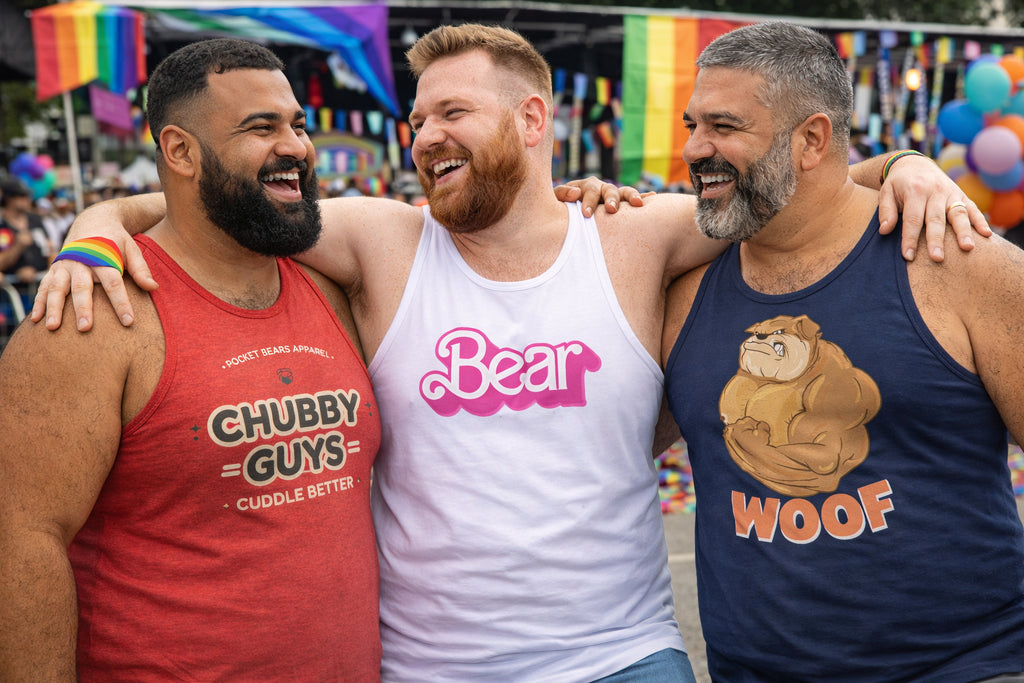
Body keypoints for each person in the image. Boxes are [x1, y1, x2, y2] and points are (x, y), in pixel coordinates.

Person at [32, 26, 990, 681]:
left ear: (533, 121)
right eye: (415, 119)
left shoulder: (637, 235)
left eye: (451, 111)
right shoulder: (379, 238)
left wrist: (904, 166)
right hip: (428, 665)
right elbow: (227, 195)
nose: (423, 135)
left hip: (624, 655)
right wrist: (97, 220)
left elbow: (788, 184)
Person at [0, 39, 384, 680]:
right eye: (261, 127)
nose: (294, 146)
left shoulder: (336, 285)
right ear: (179, 150)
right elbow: (22, 542)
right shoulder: (95, 312)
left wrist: (589, 202)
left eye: (298, 124)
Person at [662, 21, 1024, 680]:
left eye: (723, 126)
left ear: (811, 139)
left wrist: (907, 163)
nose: (693, 148)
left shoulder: (959, 262)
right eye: (691, 124)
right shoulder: (681, 293)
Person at [0, 179, 52, 283]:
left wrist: (51, 271)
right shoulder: (2, 224)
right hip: (14, 291)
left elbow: (50, 251)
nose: (28, 199)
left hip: (41, 284)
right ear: (9, 199)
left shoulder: (35, 220)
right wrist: (18, 246)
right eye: (22, 196)